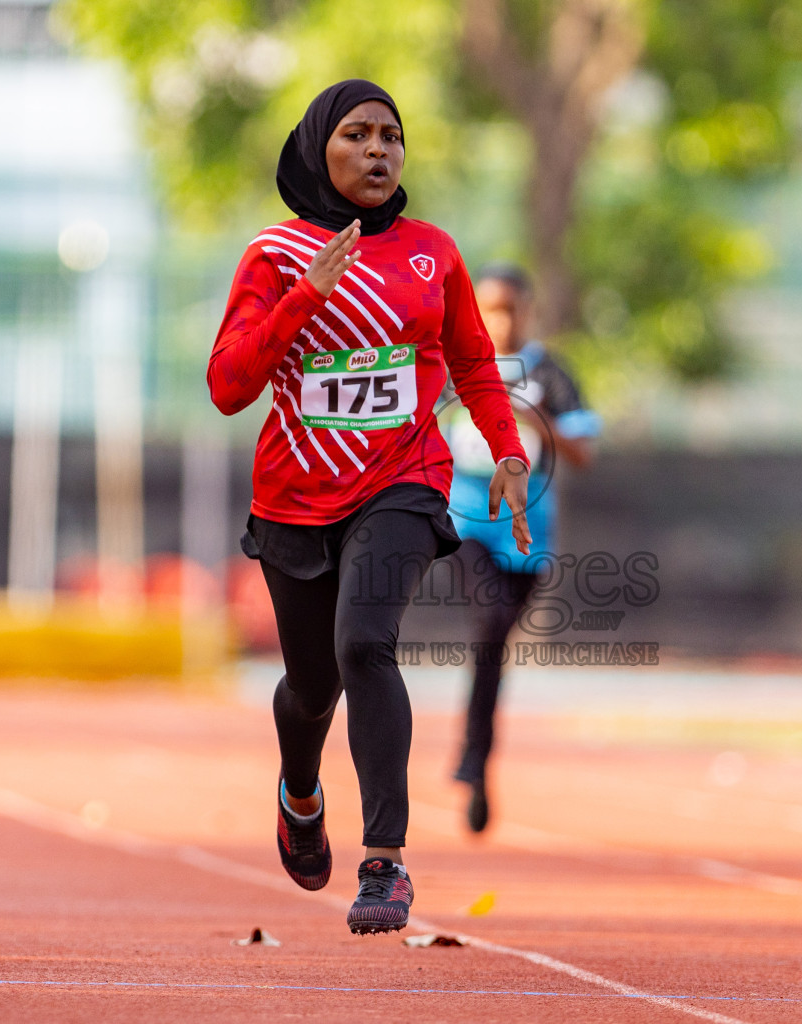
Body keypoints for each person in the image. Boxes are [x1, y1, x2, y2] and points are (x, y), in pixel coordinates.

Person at [207, 80, 532, 934]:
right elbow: (228, 387)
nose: (379, 150)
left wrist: (505, 450)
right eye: (357, 134)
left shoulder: (433, 252)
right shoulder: (275, 256)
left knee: (365, 644)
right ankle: (300, 791)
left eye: (392, 135)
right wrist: (307, 293)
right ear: (321, 148)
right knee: (311, 683)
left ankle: (384, 861)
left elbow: (473, 362)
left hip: (402, 479)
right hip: (293, 497)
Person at [438, 265, 600, 833]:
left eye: (509, 308)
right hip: (466, 519)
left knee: (495, 641)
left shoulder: (550, 372)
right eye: (488, 308)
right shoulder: (451, 362)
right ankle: (473, 757)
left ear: (527, 311)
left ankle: (476, 760)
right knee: (491, 620)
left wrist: (535, 417)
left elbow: (583, 452)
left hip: (529, 526)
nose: (499, 320)